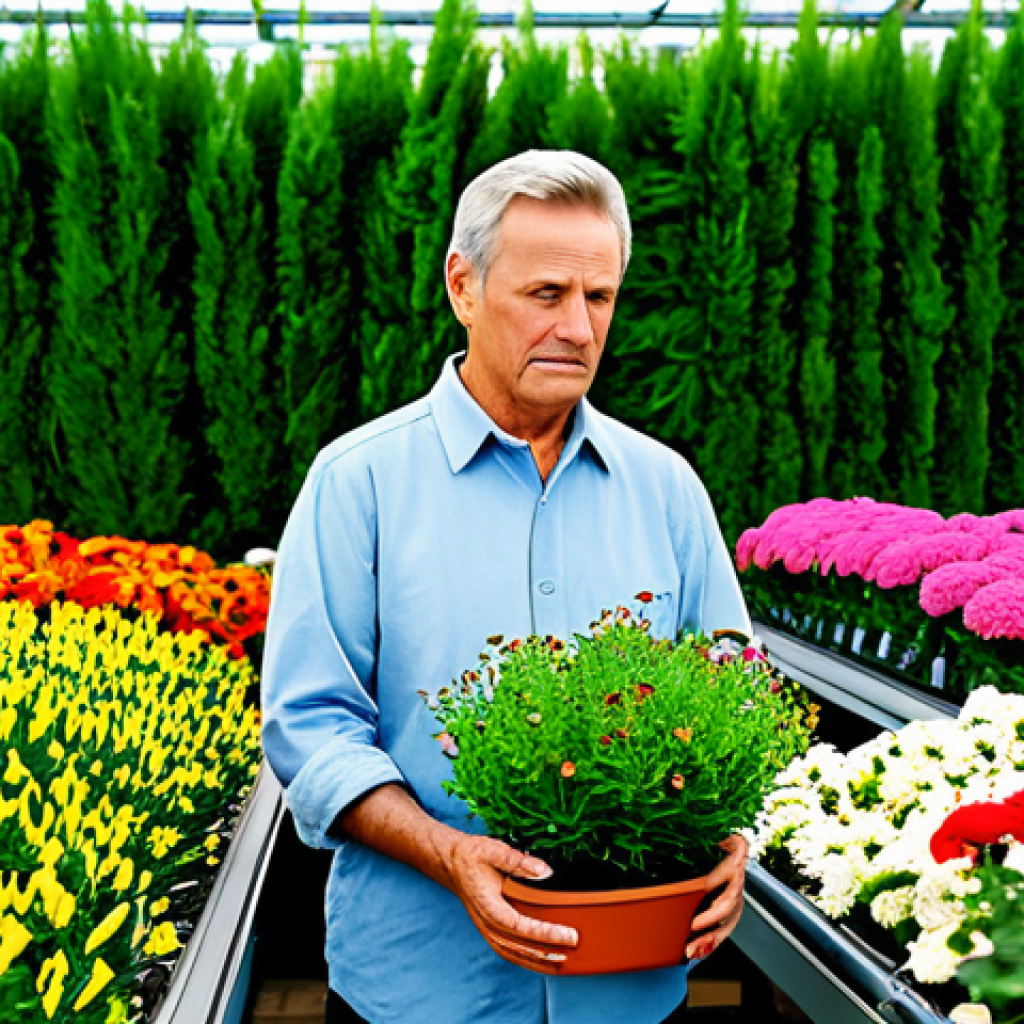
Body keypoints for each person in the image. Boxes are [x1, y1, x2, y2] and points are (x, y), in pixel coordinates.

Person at [261, 149, 751, 1024]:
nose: (577, 327)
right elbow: (312, 727)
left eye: (598, 298)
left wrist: (735, 840)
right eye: (546, 294)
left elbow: (732, 693)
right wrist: (449, 853)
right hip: (420, 991)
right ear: (464, 285)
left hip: (630, 991)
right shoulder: (359, 481)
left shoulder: (666, 486)